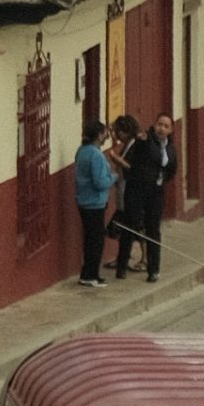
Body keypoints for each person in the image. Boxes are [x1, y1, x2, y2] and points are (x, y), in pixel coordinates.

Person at [114, 112, 176, 281]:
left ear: (170, 130)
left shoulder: (170, 148)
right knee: (131, 225)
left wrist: (160, 180)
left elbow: (171, 170)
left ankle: (153, 269)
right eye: (159, 124)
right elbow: (132, 162)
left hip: (156, 192)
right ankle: (122, 266)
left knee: (153, 229)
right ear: (155, 125)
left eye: (166, 126)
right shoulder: (144, 140)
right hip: (137, 190)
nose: (162, 128)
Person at [72, 120, 117, 288]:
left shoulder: (82, 151)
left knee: (90, 239)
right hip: (95, 203)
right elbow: (100, 183)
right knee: (96, 241)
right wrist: (114, 177)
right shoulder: (96, 155)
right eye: (104, 133)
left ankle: (88, 273)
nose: (106, 136)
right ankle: (91, 274)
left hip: (84, 201)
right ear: (98, 135)